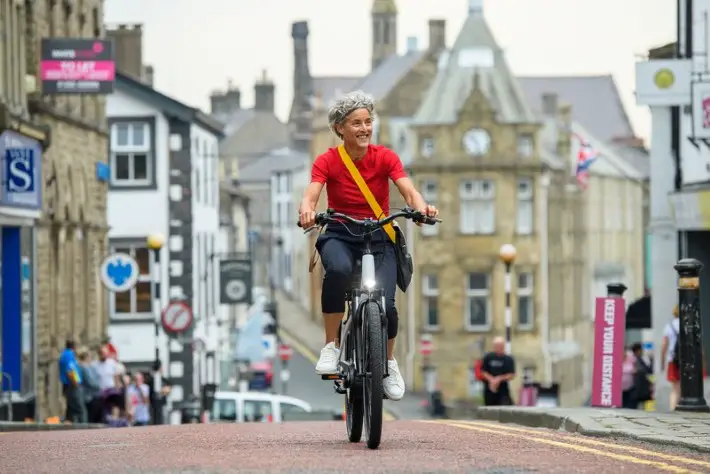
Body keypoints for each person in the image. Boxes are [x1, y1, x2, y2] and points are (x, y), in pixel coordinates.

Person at [298, 90, 439, 401]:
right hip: (340, 232)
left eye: (368, 122)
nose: (364, 129)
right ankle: (332, 347)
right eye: (356, 123)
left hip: (379, 235)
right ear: (340, 128)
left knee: (387, 305)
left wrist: (422, 208)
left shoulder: (386, 157)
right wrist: (307, 209)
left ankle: (388, 362)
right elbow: (311, 192)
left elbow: (408, 190)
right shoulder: (328, 160)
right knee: (337, 271)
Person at [58, 340, 88, 423]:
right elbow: (70, 370)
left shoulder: (64, 354)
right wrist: (76, 383)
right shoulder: (69, 355)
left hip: (67, 385)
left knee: (70, 410)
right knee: (81, 410)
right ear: (74, 347)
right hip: (72, 385)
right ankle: (85, 429)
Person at [480, 337, 516, 406]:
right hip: (489, 390)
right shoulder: (488, 357)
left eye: (500, 346)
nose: (498, 348)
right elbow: (483, 371)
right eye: (496, 346)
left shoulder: (508, 359)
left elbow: (511, 374)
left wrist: (499, 379)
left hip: (503, 391)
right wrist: (491, 379)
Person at [661, 305, 680, 410]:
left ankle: (673, 409)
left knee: (675, 388)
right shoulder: (690, 324)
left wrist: (662, 362)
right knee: (684, 387)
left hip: (673, 359)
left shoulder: (670, 325)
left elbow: (664, 345)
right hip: (687, 360)